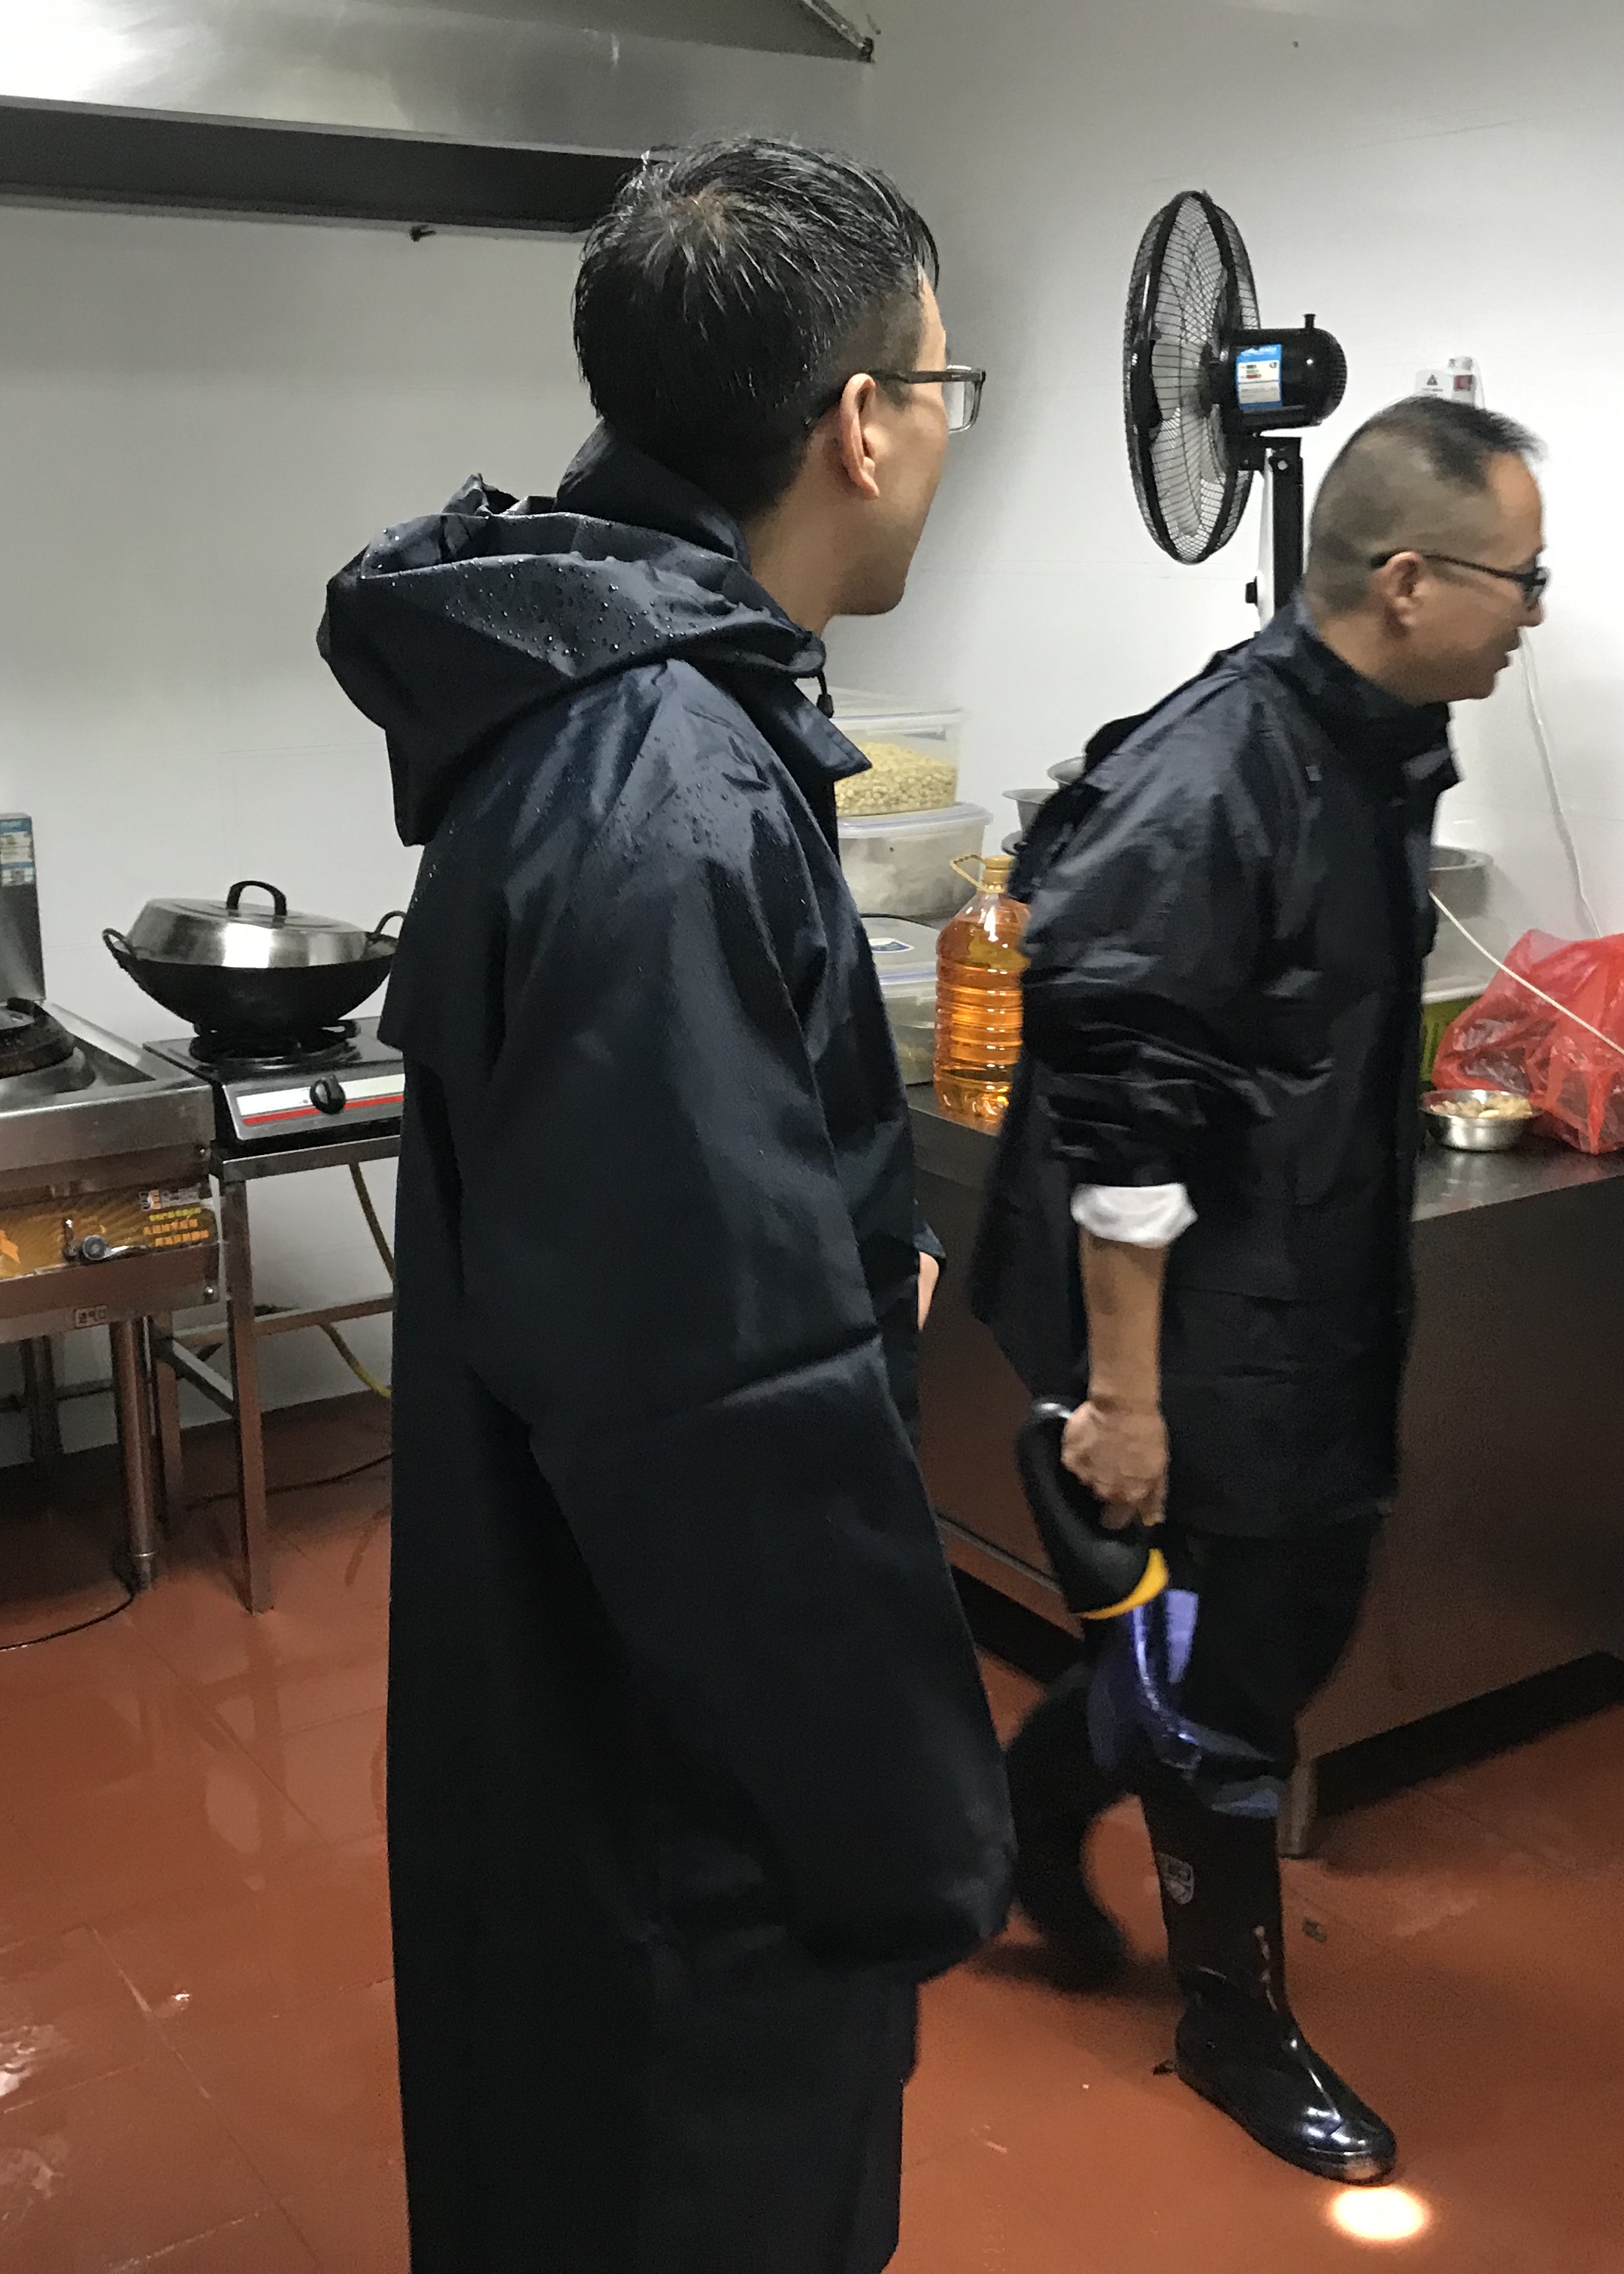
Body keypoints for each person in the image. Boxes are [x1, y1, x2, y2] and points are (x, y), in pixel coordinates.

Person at [316, 138, 1011, 2274]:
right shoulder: (663, 797)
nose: (950, 430)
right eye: (950, 385)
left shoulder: (634, 700)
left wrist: (851, 1245)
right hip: (675, 1796)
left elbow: (665, 1247)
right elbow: (719, 1427)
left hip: (600, 1719)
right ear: (862, 424)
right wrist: (911, 1830)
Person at [969, 393, 1547, 2185]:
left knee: (1280, 1629)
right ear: (1409, 580)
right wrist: (1127, 1400)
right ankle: (1230, 2020)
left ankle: (1023, 1810)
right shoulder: (1217, 770)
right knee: (1222, 1677)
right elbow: (1122, 1103)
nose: (1534, 617)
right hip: (1191, 1321)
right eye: (1522, 581)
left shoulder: (1371, 745)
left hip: (1299, 1287)